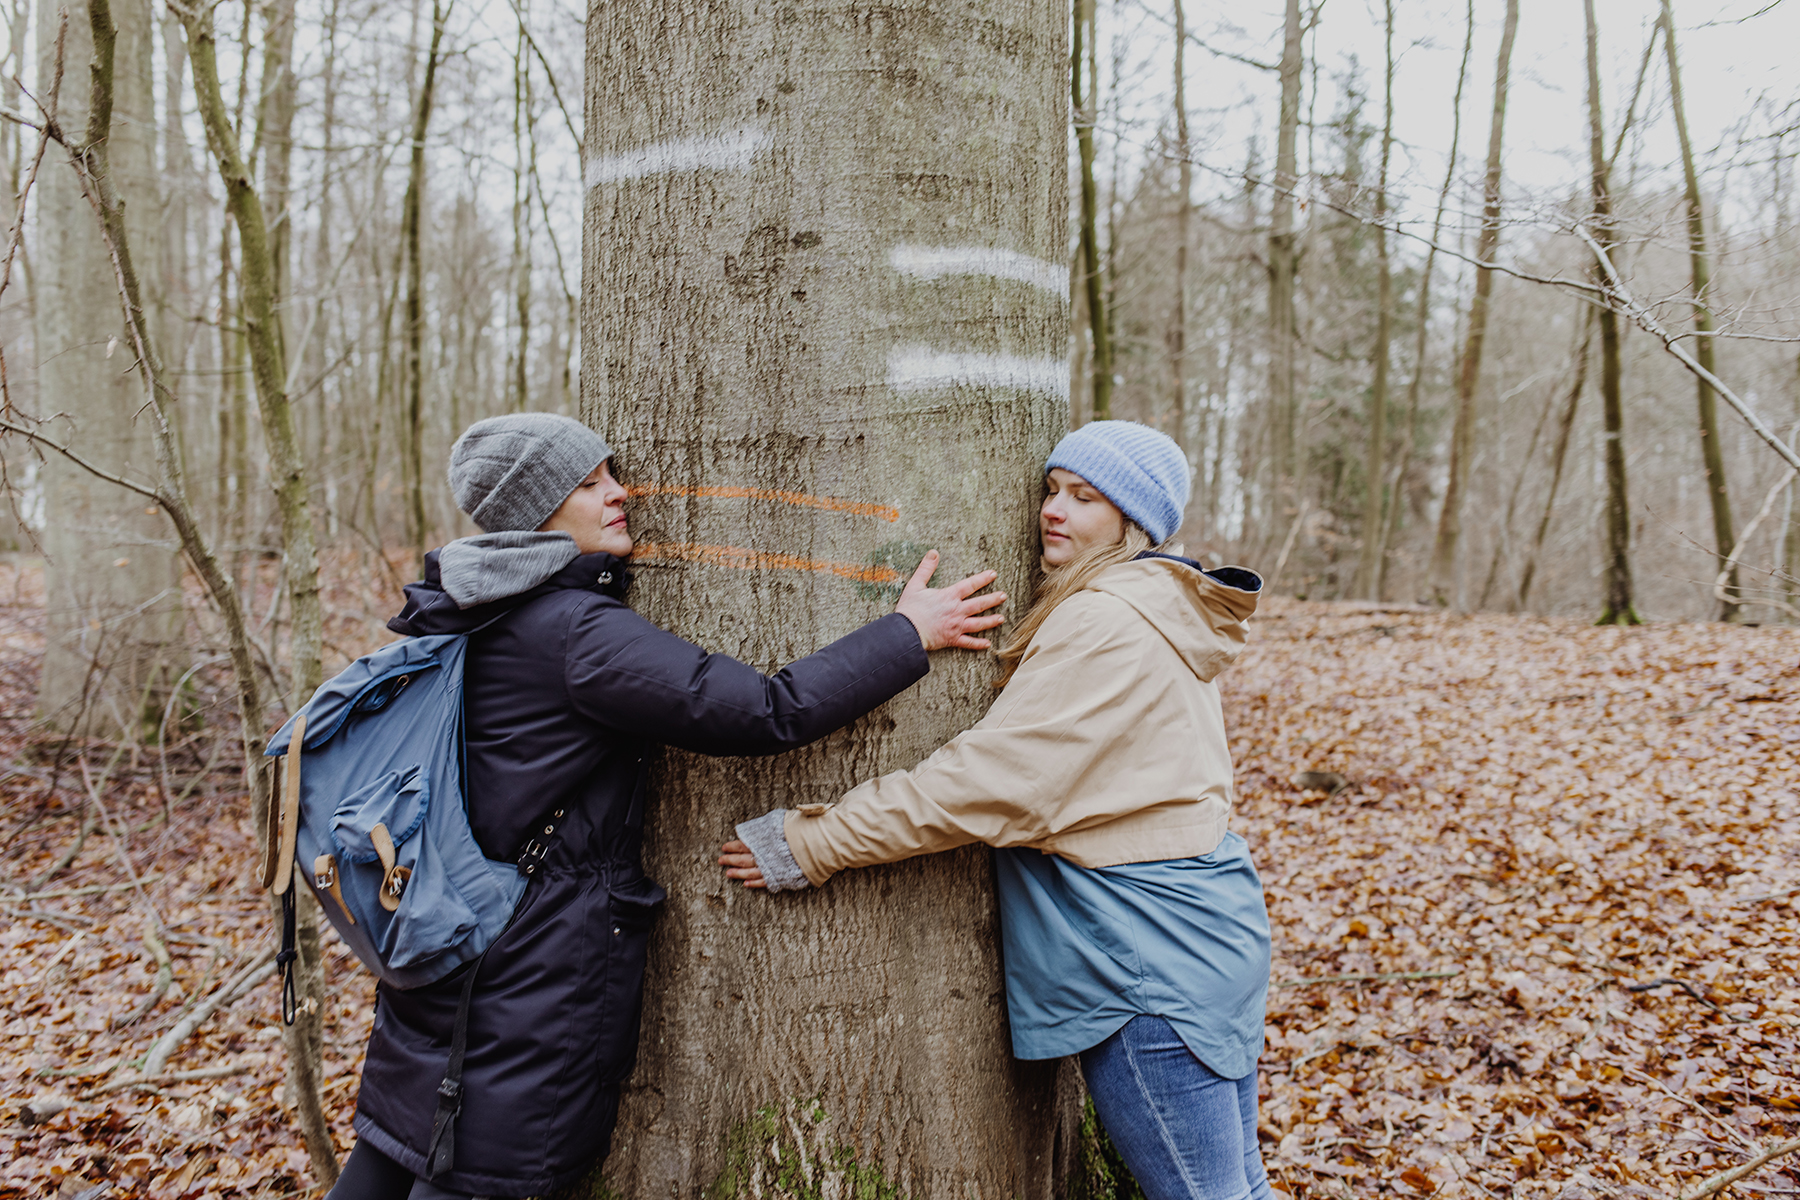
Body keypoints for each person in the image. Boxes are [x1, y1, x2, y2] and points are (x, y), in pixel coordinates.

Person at [326, 412, 1005, 1200]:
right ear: (535, 511)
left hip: (438, 948)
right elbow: (762, 710)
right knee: (475, 1177)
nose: (621, 492)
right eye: (589, 485)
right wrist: (905, 633)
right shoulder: (573, 631)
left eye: (609, 473)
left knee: (387, 1158)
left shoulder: (461, 606)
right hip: (528, 975)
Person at [720, 420, 1273, 1200]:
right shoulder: (1163, 609)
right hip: (1206, 932)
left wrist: (813, 841)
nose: (1055, 509)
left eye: (1085, 498)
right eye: (1053, 489)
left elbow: (985, 785)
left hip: (1151, 962)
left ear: (1132, 523)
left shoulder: (1107, 620)